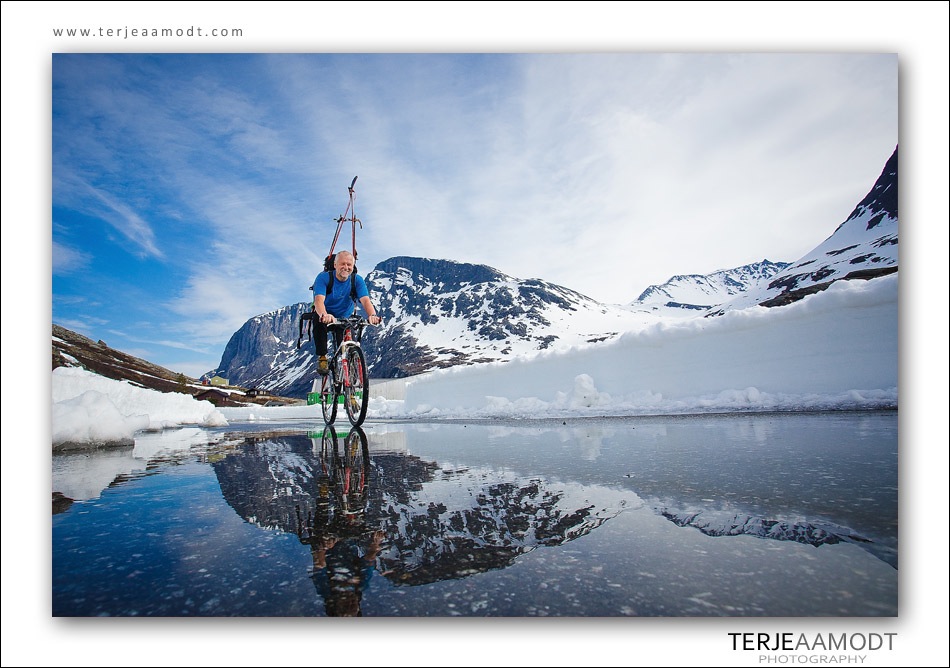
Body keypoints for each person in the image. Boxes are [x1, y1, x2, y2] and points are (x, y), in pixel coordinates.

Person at [311, 250, 381, 375]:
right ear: (335, 265)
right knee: (318, 323)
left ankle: (351, 378)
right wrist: (324, 315)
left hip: (344, 316)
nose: (346, 267)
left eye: (349, 265)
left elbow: (365, 301)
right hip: (326, 314)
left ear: (353, 266)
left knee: (348, 346)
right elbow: (319, 300)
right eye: (342, 264)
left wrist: (372, 315)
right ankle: (322, 357)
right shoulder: (324, 278)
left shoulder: (357, 280)